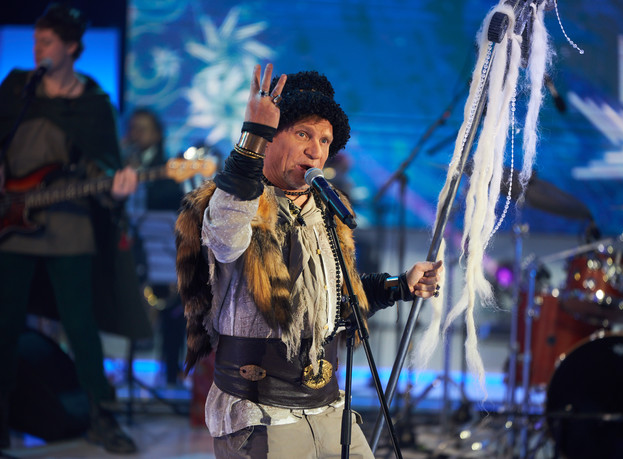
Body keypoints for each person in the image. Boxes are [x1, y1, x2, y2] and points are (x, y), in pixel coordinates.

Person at [175, 63, 443, 458]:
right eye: (303, 133)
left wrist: (399, 284)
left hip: (328, 407)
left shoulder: (326, 207)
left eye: (324, 139)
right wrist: (253, 135)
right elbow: (226, 239)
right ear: (272, 135)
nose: (315, 149)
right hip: (260, 411)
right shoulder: (232, 201)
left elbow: (338, 298)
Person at [0, 3, 143, 454]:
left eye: (46, 41)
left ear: (71, 47)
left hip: (69, 226)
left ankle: (100, 416)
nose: (37, 47)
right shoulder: (18, 87)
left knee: (81, 325)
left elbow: (106, 169)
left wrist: (116, 189)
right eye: (35, 39)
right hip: (11, 224)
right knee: (4, 324)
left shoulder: (94, 103)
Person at [122, 107, 186, 385]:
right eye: (133, 128)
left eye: (143, 129)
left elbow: (172, 199)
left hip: (159, 251)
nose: (136, 134)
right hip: (128, 251)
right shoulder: (120, 163)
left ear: (157, 134)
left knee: (173, 308)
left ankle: (171, 373)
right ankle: (127, 371)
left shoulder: (168, 168)